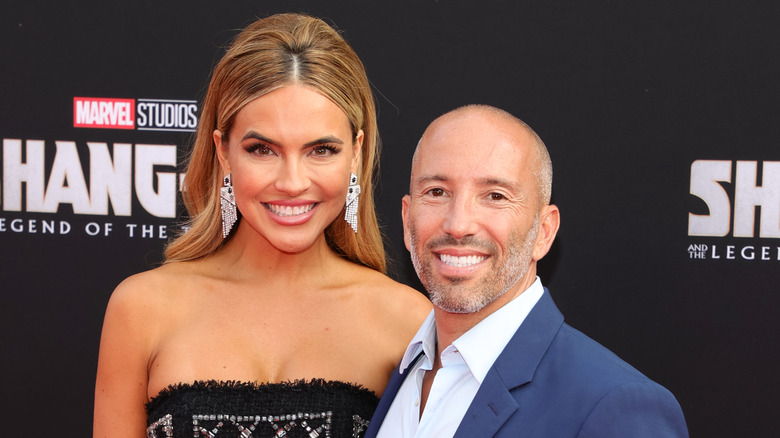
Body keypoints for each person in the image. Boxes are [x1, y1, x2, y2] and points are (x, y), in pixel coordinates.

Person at [93, 13, 430, 438]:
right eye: (262, 149)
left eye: (321, 150)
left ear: (357, 154)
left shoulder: (407, 321)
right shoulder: (141, 309)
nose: (292, 182)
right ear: (223, 152)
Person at [365, 105, 689, 438]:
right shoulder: (398, 373)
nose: (458, 224)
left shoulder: (614, 406)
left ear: (544, 232)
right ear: (407, 221)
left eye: (495, 196)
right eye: (437, 192)